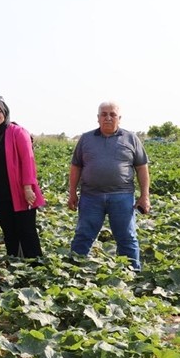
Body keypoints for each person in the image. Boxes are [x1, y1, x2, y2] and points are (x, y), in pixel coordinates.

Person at [68, 101, 150, 270]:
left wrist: (145, 196)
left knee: (127, 237)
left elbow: (142, 168)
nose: (108, 118)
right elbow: (76, 167)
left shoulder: (131, 138)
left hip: (122, 196)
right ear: (98, 118)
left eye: (112, 114)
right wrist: (72, 193)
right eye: (104, 114)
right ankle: (74, 270)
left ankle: (132, 273)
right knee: (83, 235)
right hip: (90, 196)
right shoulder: (86, 139)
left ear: (119, 118)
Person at [0, 97, 44, 258]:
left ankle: (35, 267)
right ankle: (14, 267)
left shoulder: (18, 132)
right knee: (9, 234)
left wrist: (28, 187)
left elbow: (28, 160)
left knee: (27, 232)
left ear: (5, 112)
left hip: (20, 193)